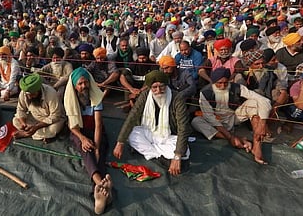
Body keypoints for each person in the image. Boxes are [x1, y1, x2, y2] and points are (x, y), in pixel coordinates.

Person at [112, 70, 191, 176]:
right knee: (132, 134)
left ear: (166, 85)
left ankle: (157, 155)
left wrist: (177, 156)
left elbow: (183, 127)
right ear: (150, 88)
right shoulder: (145, 95)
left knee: (183, 152)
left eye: (161, 86)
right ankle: (160, 156)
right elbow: (132, 117)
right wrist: (120, 142)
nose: (158, 90)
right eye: (154, 87)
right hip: (150, 132)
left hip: (170, 136)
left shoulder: (177, 98)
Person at [192, 67, 271, 164]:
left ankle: (257, 142)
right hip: (217, 121)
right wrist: (230, 137)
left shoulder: (236, 87)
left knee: (254, 103)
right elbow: (210, 118)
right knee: (196, 122)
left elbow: (264, 100)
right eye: (219, 83)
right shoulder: (205, 92)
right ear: (213, 82)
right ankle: (239, 139)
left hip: (233, 116)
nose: (223, 86)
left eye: (225, 83)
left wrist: (262, 125)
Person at [64, 67, 113, 214]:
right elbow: (72, 126)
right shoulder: (70, 99)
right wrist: (83, 138)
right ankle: (103, 186)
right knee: (86, 149)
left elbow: (98, 125)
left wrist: (97, 148)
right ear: (74, 86)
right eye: (80, 84)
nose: (84, 86)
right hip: (79, 132)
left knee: (100, 152)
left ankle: (99, 195)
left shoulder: (95, 97)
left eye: (86, 82)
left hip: (95, 130)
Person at [12, 73, 66, 142]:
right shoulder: (24, 93)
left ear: (39, 90)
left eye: (32, 94)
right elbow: (20, 109)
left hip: (51, 120)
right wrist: (23, 124)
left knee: (53, 129)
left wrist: (37, 127)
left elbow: (55, 116)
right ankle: (38, 134)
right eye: (28, 95)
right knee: (15, 121)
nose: (29, 97)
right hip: (35, 119)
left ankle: (26, 134)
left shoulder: (51, 93)